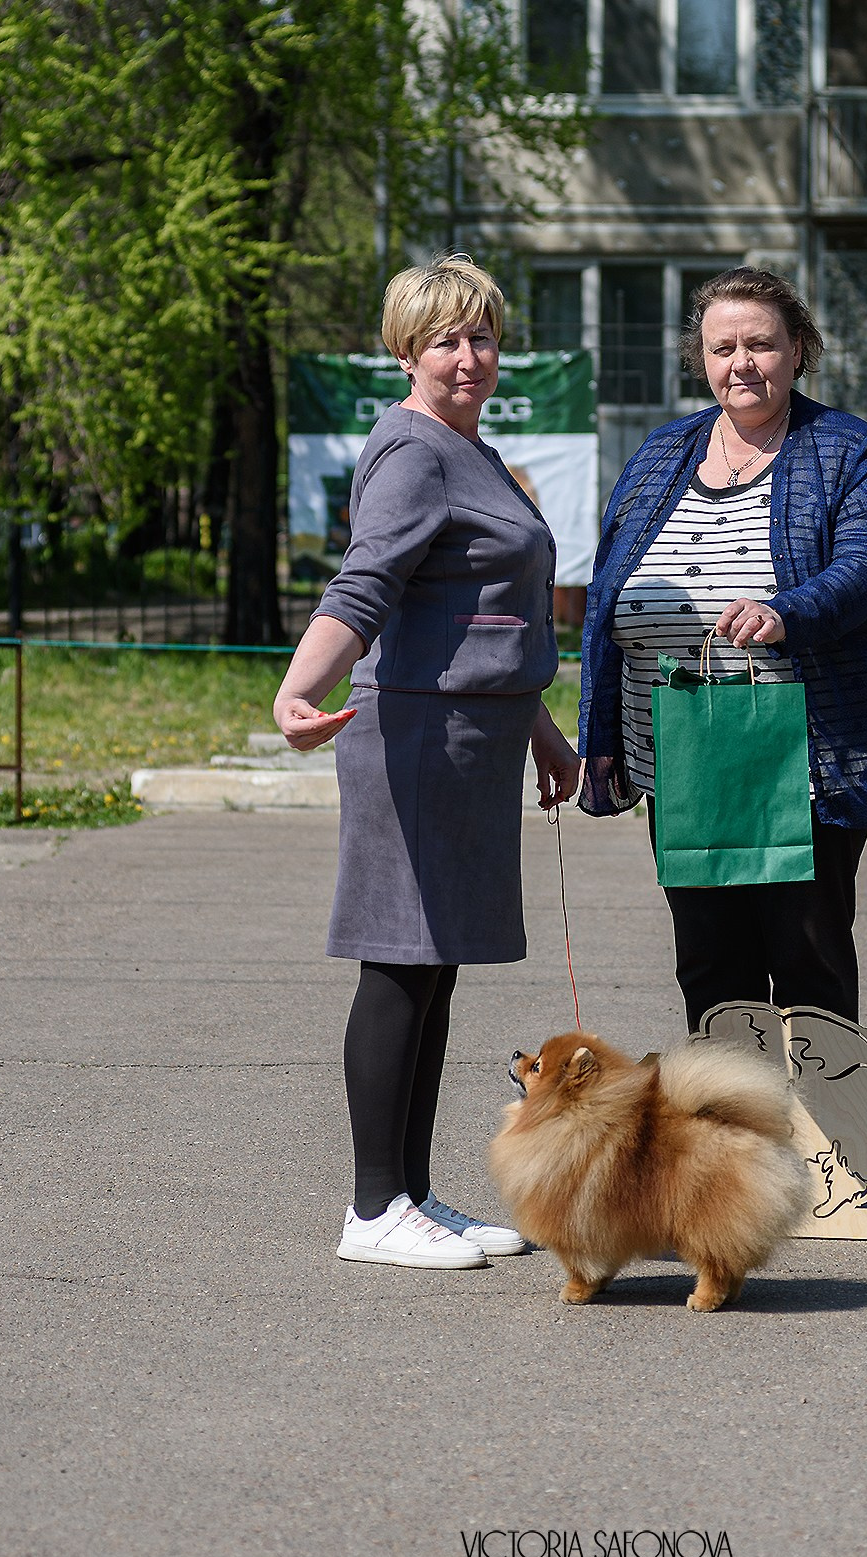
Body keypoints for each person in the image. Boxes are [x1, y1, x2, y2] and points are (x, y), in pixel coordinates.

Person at [274, 256, 580, 1270]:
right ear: (404, 352)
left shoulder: (472, 451)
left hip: (472, 738)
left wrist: (537, 729)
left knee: (433, 968)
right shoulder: (411, 450)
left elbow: (475, 614)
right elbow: (363, 585)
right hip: (413, 738)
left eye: (481, 336)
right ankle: (370, 1208)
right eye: (443, 339)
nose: (466, 356)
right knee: (400, 964)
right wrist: (297, 687)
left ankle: (409, 1193)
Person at [578, 267, 867, 1033]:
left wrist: (785, 611)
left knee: (808, 959)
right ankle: (734, 1147)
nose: (742, 363)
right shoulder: (661, 453)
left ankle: (826, 1143)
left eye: (761, 344)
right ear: (700, 358)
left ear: (798, 350)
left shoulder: (846, 450)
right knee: (708, 964)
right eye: (723, 346)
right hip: (681, 751)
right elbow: (610, 585)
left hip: (802, 761)